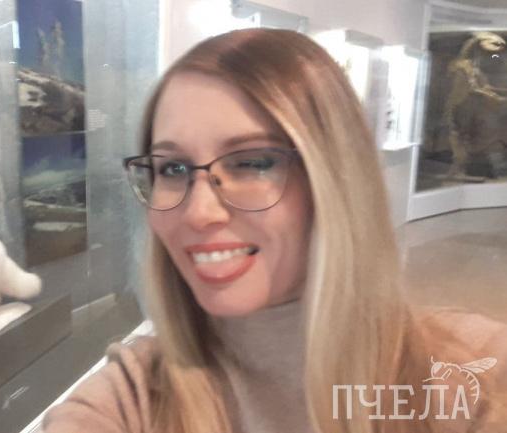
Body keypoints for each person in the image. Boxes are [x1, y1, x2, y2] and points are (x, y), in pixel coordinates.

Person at [42, 28, 507, 433]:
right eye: (173, 168)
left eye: (252, 163)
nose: (199, 213)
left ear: (334, 179)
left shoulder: (476, 376)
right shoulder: (131, 397)